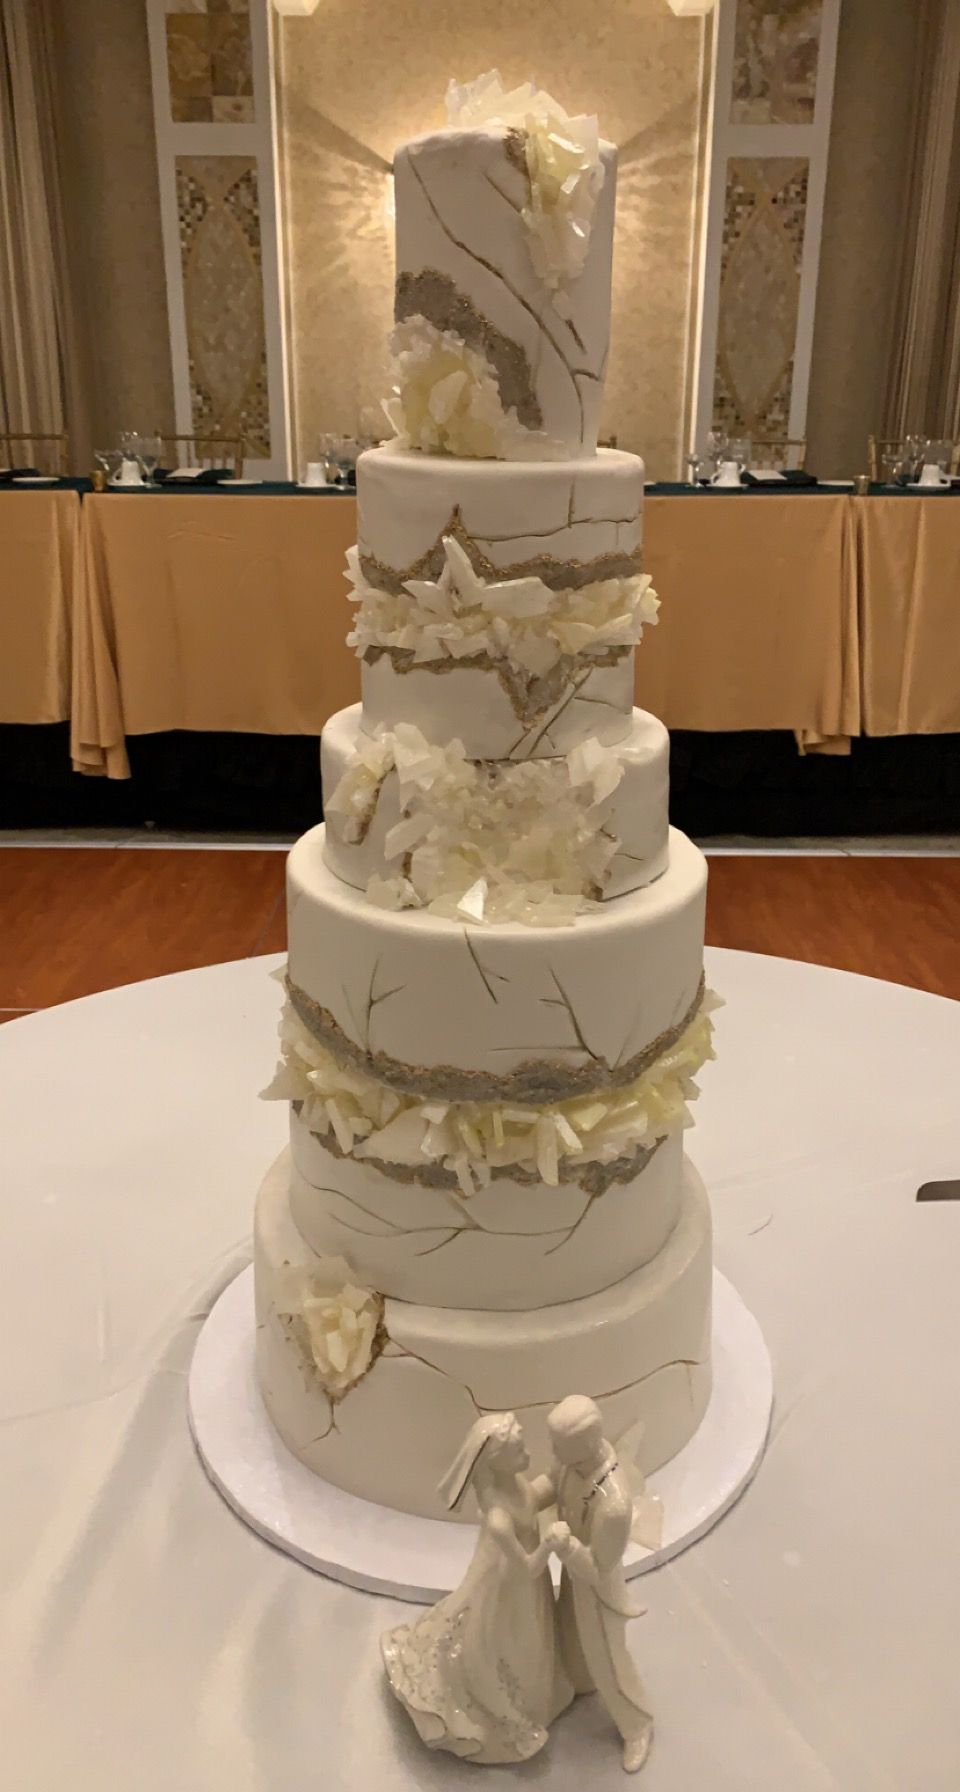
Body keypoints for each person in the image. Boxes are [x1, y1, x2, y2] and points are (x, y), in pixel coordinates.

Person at [381, 1412, 573, 1764]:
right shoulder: (498, 1519)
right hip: (512, 1589)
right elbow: (527, 1567)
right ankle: (513, 1717)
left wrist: (561, 1471)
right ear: (497, 1463)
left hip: (529, 1586)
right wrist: (549, 1544)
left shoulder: (514, 1483)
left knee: (534, 1643)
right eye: (519, 1451)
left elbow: (534, 1497)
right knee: (512, 1646)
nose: (528, 1453)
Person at [545, 1394, 654, 1773]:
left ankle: (637, 1725)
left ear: (583, 1446)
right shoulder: (572, 1463)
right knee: (569, 1635)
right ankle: (579, 1681)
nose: (553, 1452)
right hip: (571, 1575)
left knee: (609, 1661)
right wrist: (517, 1500)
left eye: (559, 1445)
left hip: (597, 1592)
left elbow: (598, 1568)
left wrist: (566, 1546)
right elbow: (549, 1485)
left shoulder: (614, 1506)